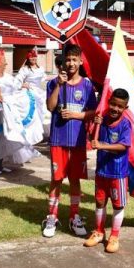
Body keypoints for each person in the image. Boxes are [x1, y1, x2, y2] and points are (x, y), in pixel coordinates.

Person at [42, 45, 97, 238]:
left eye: (75, 59)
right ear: (63, 62)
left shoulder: (87, 86)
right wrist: (59, 85)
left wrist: (75, 115)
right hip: (58, 139)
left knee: (74, 179)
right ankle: (52, 216)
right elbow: (50, 107)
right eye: (68, 59)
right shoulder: (53, 83)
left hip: (77, 141)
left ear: (81, 61)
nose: (71, 63)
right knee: (56, 179)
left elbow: (93, 112)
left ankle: (74, 216)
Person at [84, 88, 132, 254]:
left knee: (118, 205)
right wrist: (94, 124)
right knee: (99, 202)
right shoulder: (102, 119)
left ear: (125, 108)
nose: (115, 108)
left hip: (118, 174)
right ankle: (98, 232)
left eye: (120, 106)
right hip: (101, 171)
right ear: (108, 102)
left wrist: (102, 146)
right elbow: (93, 139)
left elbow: (123, 146)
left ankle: (114, 236)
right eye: (113, 104)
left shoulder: (125, 124)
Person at [0, 51, 43, 174]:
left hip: (9, 107)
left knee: (8, 135)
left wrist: (23, 85)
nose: (6, 63)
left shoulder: (7, 76)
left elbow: (15, 85)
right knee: (1, 135)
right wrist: (0, 96)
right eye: (4, 61)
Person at [15, 49, 47, 124]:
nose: (33, 58)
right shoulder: (25, 69)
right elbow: (17, 80)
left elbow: (45, 78)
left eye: (34, 56)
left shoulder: (41, 69)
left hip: (39, 92)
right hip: (29, 92)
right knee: (32, 110)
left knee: (41, 110)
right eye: (31, 57)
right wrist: (22, 85)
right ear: (28, 58)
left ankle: (39, 124)